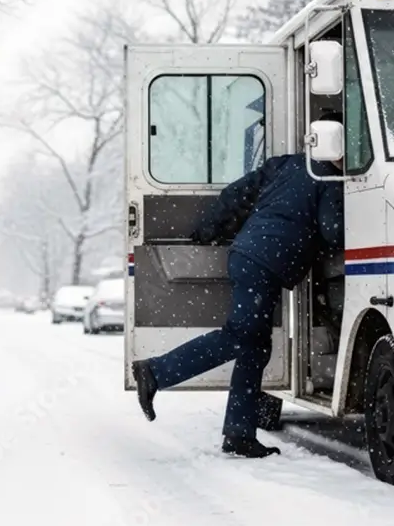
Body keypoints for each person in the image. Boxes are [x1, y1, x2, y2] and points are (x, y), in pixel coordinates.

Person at [131, 112, 345, 458]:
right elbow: (333, 231)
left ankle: (239, 434)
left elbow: (237, 194)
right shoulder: (329, 178)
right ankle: (156, 371)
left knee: (255, 348)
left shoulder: (284, 164)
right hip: (265, 262)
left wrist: (208, 228)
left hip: (247, 254)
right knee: (240, 336)